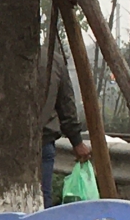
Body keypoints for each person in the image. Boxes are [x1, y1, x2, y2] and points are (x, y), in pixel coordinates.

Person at [39, 39, 91, 209]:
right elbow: (66, 105)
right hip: (43, 139)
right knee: (42, 195)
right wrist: (77, 142)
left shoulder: (6, 58)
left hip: (9, 142)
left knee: (9, 197)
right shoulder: (54, 60)